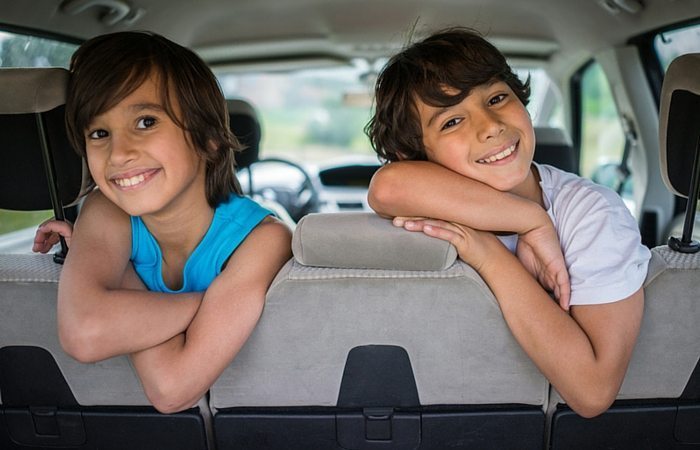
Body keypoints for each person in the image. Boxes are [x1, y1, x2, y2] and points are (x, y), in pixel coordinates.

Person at [365, 27, 651, 418]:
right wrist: (532, 221)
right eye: (451, 122)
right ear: (412, 154)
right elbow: (385, 186)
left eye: (497, 98)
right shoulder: (417, 192)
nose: (491, 126)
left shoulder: (590, 213)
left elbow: (593, 389)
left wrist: (488, 254)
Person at [32, 31, 292, 414]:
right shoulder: (105, 208)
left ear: (208, 139)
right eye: (100, 133)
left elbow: (171, 390)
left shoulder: (263, 240)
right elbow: (85, 335)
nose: (119, 154)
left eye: (146, 121)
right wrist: (209, 305)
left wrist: (120, 278)